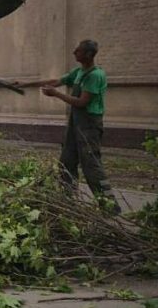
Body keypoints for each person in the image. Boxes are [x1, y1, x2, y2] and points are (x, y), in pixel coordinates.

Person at [37, 39, 118, 209]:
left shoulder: (95, 75)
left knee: (92, 166)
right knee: (66, 162)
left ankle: (110, 206)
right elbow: (56, 81)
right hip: (75, 124)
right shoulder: (78, 71)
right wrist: (24, 84)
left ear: (88, 54)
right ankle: (68, 201)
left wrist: (56, 95)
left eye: (78, 50)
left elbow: (82, 102)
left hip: (89, 126)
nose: (75, 52)